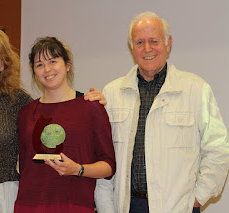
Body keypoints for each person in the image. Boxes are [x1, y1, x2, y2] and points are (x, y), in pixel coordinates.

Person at [0, 26, 104, 213]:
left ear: (3, 64)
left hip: (5, 195)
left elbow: (55, 116)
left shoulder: (18, 101)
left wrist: (88, 100)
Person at [95, 11, 229, 213]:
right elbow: (104, 158)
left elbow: (218, 149)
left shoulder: (196, 89)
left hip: (177, 207)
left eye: (154, 41)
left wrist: (198, 197)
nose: (147, 48)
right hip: (128, 206)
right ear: (132, 47)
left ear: (168, 44)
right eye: (139, 42)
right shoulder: (112, 93)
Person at [14, 37, 116, 213]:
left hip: (74, 206)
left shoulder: (91, 107)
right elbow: (24, 169)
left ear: (67, 65)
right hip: (29, 206)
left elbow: (108, 167)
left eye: (53, 61)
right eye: (39, 65)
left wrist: (78, 169)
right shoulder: (25, 113)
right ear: (34, 72)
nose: (47, 69)